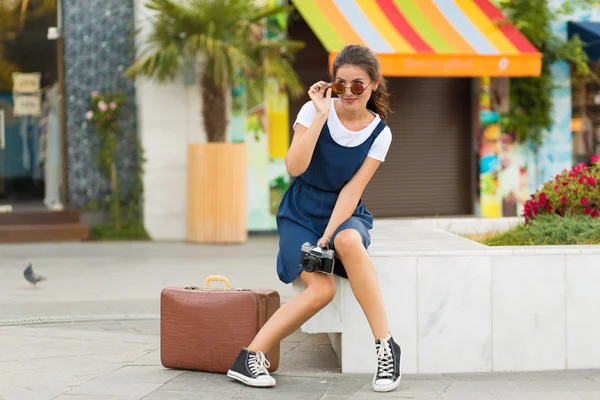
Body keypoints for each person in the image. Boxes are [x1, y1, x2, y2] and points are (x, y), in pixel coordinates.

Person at [227, 44, 400, 393]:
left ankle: (386, 347)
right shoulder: (312, 110)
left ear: (374, 84)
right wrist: (322, 115)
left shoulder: (380, 134)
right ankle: (250, 357)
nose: (348, 93)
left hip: (345, 212)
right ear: (331, 85)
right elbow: (294, 167)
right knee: (321, 288)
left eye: (358, 85)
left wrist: (329, 236)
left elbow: (351, 192)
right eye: (340, 85)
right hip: (300, 211)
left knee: (347, 240)